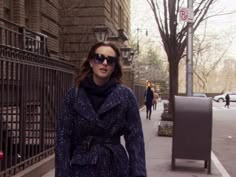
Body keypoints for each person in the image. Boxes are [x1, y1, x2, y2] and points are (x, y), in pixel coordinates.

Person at [55, 41, 146, 177]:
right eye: (99, 58)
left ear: (114, 66)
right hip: (82, 168)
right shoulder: (74, 95)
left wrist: (138, 174)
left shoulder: (126, 96)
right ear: (91, 62)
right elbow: (63, 139)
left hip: (116, 167)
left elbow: (135, 140)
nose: (104, 63)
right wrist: (62, 173)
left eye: (110, 60)